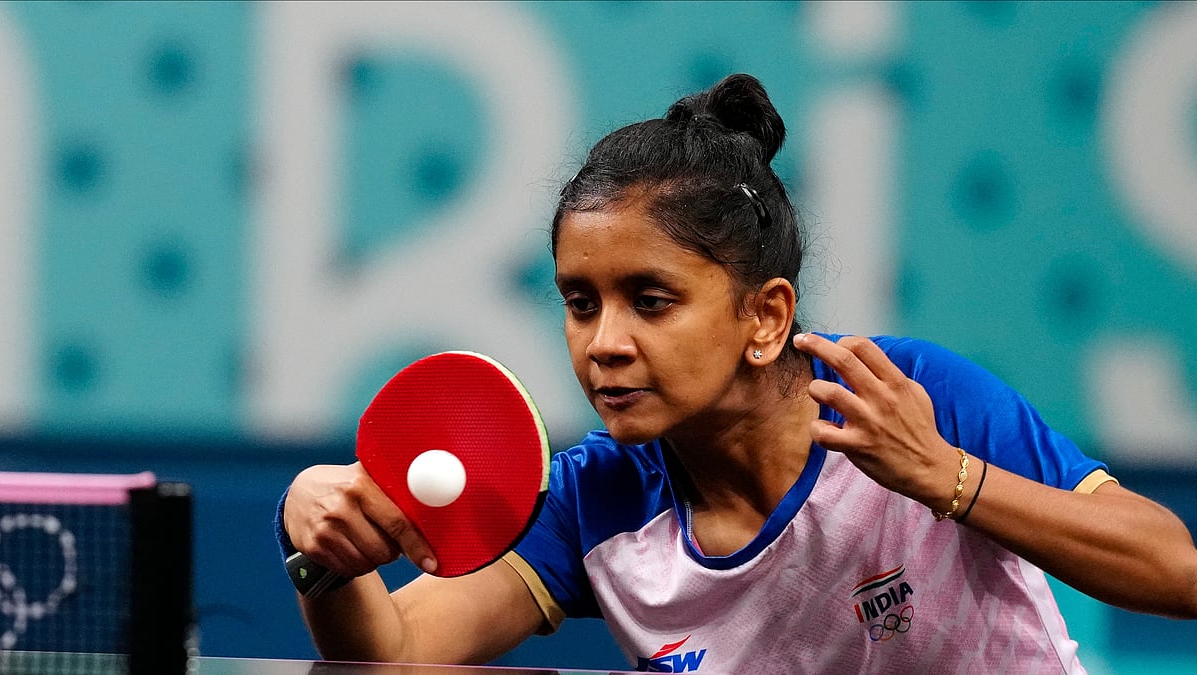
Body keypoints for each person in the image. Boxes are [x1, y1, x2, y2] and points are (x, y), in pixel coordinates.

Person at [276, 73, 1197, 672]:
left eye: (651, 298)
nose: (604, 342)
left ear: (765, 316)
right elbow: (392, 654)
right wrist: (320, 551)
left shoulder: (905, 397)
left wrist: (944, 477)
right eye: (580, 301)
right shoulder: (597, 500)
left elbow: (1178, 571)